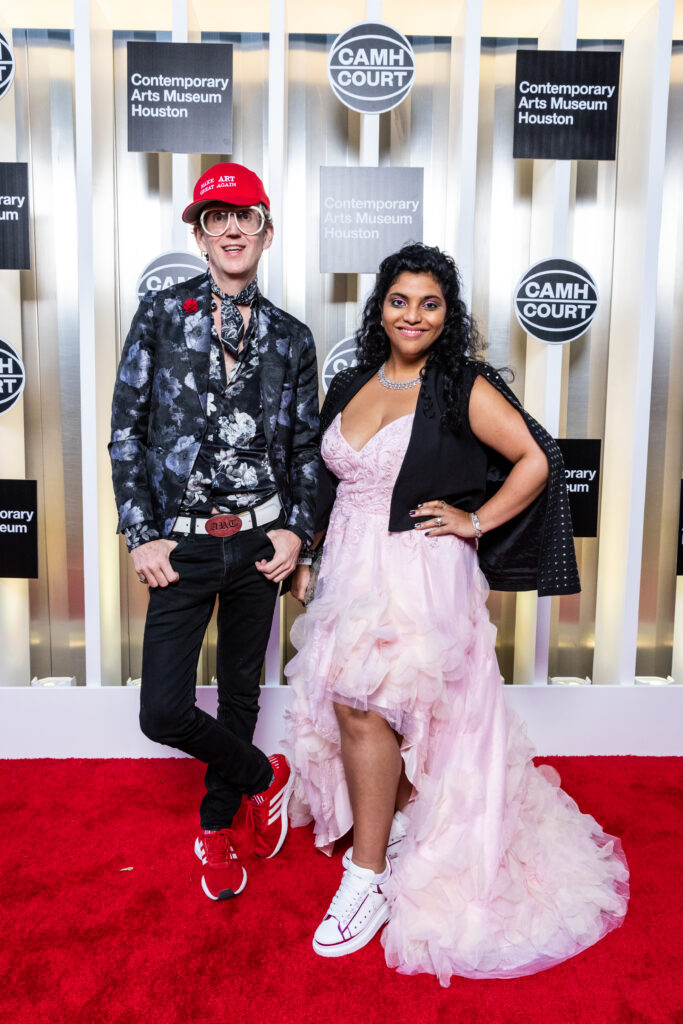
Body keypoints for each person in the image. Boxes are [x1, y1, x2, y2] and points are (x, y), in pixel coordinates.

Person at [283, 243, 628, 982]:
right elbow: (327, 481)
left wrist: (475, 521)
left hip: (419, 567)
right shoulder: (349, 379)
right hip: (349, 561)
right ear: (380, 306)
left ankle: (366, 877)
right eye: (400, 300)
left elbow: (537, 459)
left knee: (371, 707)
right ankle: (399, 827)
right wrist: (310, 556)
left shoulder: (457, 385)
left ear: (448, 314)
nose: (413, 315)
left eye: (430, 303)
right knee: (353, 707)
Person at [109, 162, 319, 902]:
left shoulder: (293, 337)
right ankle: (266, 777)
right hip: (185, 544)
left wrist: (297, 534)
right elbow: (126, 433)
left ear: (266, 229)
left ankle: (217, 829)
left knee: (239, 695)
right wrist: (141, 534)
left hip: (260, 543)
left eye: (246, 216)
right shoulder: (161, 316)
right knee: (163, 710)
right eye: (215, 218)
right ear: (198, 235)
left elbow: (303, 450)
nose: (232, 229)